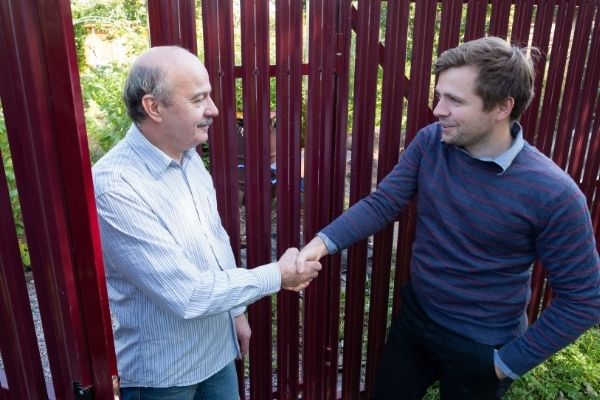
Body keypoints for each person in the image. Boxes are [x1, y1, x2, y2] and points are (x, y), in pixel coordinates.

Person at [298, 36, 600, 399]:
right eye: (439, 95)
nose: (437, 109)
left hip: (483, 344)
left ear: (502, 107)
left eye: (454, 100)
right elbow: (383, 204)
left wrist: (505, 364)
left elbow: (583, 299)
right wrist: (318, 245)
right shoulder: (432, 143)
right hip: (417, 320)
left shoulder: (553, 194)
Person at [92, 46, 321, 400]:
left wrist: (237, 313)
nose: (213, 110)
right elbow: (186, 294)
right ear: (154, 107)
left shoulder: (188, 157)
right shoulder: (115, 187)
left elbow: (215, 241)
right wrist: (278, 275)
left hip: (217, 353)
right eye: (199, 99)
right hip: (165, 376)